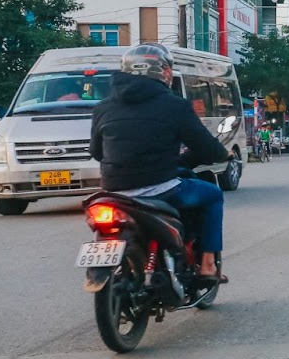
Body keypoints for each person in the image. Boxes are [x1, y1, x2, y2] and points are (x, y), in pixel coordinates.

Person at [88, 43, 228, 285]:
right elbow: (206, 148)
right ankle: (207, 265)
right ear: (164, 72)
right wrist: (222, 154)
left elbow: (97, 152)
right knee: (213, 195)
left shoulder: (103, 107)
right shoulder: (175, 105)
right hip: (161, 189)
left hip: (113, 192)